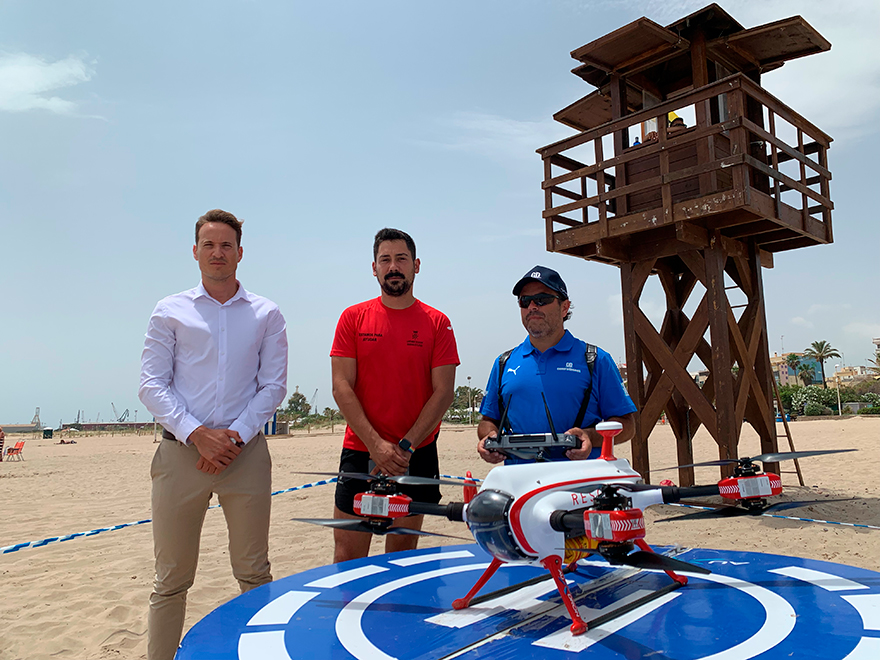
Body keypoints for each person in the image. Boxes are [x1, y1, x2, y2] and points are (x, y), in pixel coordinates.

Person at [138, 209, 288, 660]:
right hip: (181, 456)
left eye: (226, 245)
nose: (217, 253)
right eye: (209, 245)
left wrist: (233, 438)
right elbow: (151, 384)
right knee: (171, 579)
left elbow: (273, 386)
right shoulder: (170, 310)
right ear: (195, 252)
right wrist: (198, 435)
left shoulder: (267, 313)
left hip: (246, 458)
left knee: (253, 571)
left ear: (240, 253)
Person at [330, 228, 459, 562]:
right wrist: (376, 446)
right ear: (374, 268)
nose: (393, 267)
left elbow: (443, 392)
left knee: (401, 561)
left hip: (415, 454)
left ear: (416, 265)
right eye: (385, 259)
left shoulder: (438, 322)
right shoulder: (352, 318)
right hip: (360, 451)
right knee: (348, 558)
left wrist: (405, 447)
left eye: (401, 258)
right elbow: (341, 386)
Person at [477, 265, 636, 465]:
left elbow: (628, 426)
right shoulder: (504, 362)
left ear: (564, 307)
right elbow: (487, 421)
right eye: (525, 301)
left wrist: (589, 436)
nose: (532, 306)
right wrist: (490, 438)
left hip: (581, 484)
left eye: (542, 300)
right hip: (521, 483)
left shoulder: (595, 360)